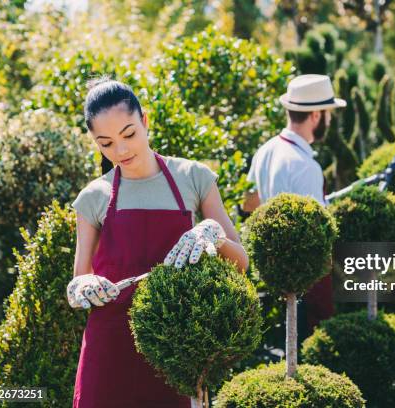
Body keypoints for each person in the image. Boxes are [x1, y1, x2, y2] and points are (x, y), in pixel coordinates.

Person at [67, 78, 248, 408]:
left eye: (129, 134)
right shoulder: (93, 197)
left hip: (172, 349)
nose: (120, 151)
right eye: (105, 143)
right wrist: (85, 286)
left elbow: (241, 263)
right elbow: (77, 282)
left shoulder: (194, 178)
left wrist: (211, 232)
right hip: (108, 352)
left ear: (145, 121)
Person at [242, 74, 346, 333]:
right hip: (303, 280)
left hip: (269, 272)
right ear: (315, 116)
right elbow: (318, 238)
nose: (329, 120)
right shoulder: (305, 166)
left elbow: (248, 204)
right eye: (328, 113)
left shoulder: (265, 150)